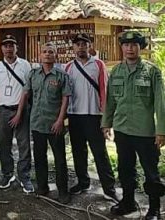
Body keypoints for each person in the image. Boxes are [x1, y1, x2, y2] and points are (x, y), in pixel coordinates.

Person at [102, 31, 165, 219]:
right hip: (122, 130)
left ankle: (154, 209)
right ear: (122, 48)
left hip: (145, 132)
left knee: (151, 173)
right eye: (126, 45)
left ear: (140, 48)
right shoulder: (116, 71)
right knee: (125, 169)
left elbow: (160, 103)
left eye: (134, 45)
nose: (130, 48)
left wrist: (161, 131)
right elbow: (111, 100)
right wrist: (107, 123)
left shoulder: (151, 71)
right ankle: (127, 202)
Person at [11, 42, 71, 203]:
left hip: (54, 125)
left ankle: (63, 191)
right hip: (37, 123)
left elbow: (65, 99)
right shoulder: (33, 74)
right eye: (44, 52)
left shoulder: (61, 76)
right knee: (39, 157)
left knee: (60, 159)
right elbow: (25, 94)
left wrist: (60, 120)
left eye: (51, 52)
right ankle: (43, 187)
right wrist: (18, 114)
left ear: (55, 55)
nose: (47, 54)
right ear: (40, 56)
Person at [65, 33, 119, 201]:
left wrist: (106, 118)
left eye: (84, 43)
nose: (81, 46)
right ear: (73, 47)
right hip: (74, 116)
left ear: (90, 46)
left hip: (94, 115)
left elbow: (105, 91)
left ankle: (109, 188)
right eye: (77, 44)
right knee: (78, 151)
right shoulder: (68, 67)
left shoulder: (98, 65)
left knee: (100, 153)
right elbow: (65, 93)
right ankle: (82, 182)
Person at [0, 35, 34, 193]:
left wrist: (19, 113)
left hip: (21, 109)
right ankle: (7, 174)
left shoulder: (25, 65)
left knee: (24, 145)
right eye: (6, 45)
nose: (8, 48)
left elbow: (27, 90)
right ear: (2, 48)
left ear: (17, 48)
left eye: (11, 45)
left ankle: (24, 176)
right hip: (3, 110)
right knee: (4, 145)